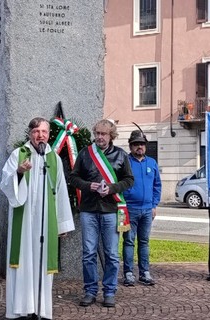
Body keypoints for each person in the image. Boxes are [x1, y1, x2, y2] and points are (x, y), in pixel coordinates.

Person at [1, 117, 75, 320]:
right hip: (23, 221)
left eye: (43, 132)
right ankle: (19, 310)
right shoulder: (18, 154)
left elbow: (60, 191)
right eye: (36, 132)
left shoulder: (53, 159)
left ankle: (40, 309)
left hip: (45, 223)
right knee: (23, 262)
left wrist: (62, 223)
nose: (40, 135)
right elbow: (4, 183)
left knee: (42, 263)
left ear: (49, 134)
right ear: (30, 134)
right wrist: (18, 172)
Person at [69, 119, 134, 308]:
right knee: (88, 253)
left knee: (112, 254)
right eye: (97, 133)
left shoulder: (121, 155)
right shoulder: (85, 153)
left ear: (111, 135)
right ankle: (90, 290)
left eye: (103, 134)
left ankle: (109, 291)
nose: (99, 137)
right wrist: (89, 186)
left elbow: (129, 180)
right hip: (88, 209)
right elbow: (73, 177)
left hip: (111, 211)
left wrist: (113, 188)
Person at [122, 129, 161, 287]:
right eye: (136, 144)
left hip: (147, 210)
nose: (139, 147)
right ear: (130, 147)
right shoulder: (126, 162)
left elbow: (157, 185)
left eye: (142, 144)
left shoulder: (152, 163)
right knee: (129, 241)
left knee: (144, 241)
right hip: (129, 209)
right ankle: (128, 273)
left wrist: (154, 204)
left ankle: (145, 272)